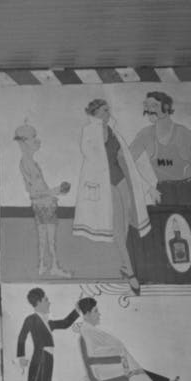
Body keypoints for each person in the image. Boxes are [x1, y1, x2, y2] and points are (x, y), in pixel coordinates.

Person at [72, 98, 149, 294]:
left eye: (108, 110)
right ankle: (130, 273)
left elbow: (124, 159)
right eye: (105, 110)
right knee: (117, 228)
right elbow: (91, 156)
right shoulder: (89, 131)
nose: (108, 113)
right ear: (95, 112)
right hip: (106, 186)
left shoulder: (114, 132)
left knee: (125, 224)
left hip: (121, 180)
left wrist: (143, 185)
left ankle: (125, 265)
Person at [77, 297, 187, 381]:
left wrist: (120, 354)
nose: (99, 314)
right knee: (141, 378)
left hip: (114, 368)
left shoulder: (89, 330)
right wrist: (119, 357)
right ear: (88, 314)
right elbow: (93, 356)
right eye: (95, 311)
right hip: (107, 373)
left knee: (142, 376)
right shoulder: (88, 332)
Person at [129, 91, 191, 206]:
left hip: (187, 191)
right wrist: (147, 187)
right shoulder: (145, 134)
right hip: (164, 192)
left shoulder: (182, 132)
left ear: (166, 107)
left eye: (154, 105)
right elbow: (126, 159)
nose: (149, 110)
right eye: (147, 106)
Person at [13, 123, 72, 277]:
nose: (37, 141)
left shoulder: (27, 162)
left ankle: (42, 266)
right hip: (45, 205)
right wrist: (57, 190)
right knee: (50, 239)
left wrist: (54, 193)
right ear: (24, 141)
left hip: (41, 205)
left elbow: (35, 192)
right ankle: (54, 267)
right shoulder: (28, 164)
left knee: (43, 238)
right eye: (33, 137)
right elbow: (36, 192)